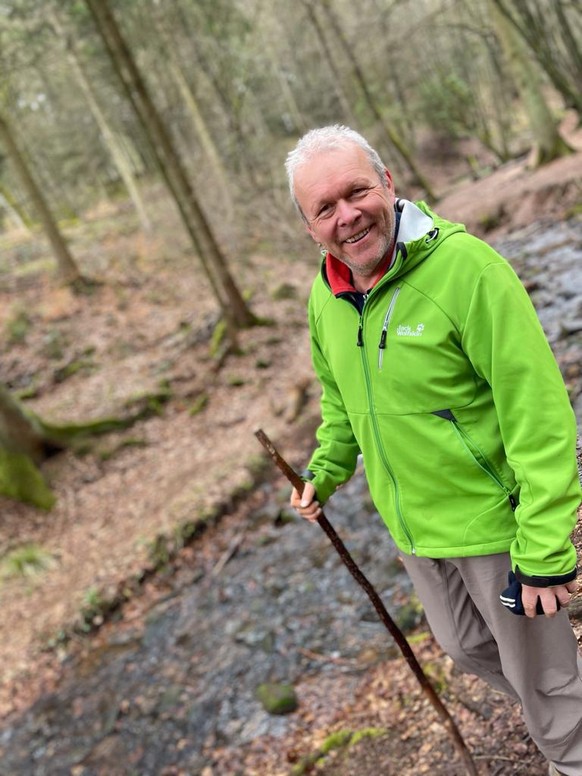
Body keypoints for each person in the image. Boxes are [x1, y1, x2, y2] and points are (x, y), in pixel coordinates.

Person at [285, 125, 582, 776]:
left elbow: (538, 412)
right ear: (309, 227)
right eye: (324, 208)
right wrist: (325, 470)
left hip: (492, 526)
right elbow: (339, 401)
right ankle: (562, 713)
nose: (347, 215)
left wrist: (544, 545)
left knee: (545, 682)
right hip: (415, 529)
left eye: (356, 191)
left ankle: (570, 747)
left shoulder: (467, 270)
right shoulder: (325, 298)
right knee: (468, 647)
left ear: (389, 184)